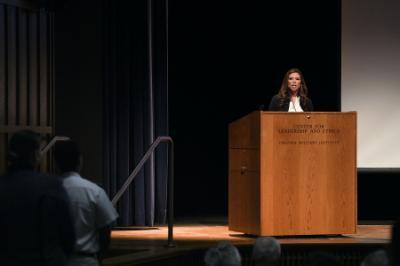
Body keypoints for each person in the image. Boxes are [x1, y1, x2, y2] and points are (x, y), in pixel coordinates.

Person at [0, 130, 75, 265]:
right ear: (34, 154)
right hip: (46, 260)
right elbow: (67, 234)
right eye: (40, 150)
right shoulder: (51, 185)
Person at [54, 140, 119, 266]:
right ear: (80, 160)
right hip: (87, 260)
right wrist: (100, 257)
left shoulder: (49, 191)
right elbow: (106, 228)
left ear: (56, 163)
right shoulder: (94, 191)